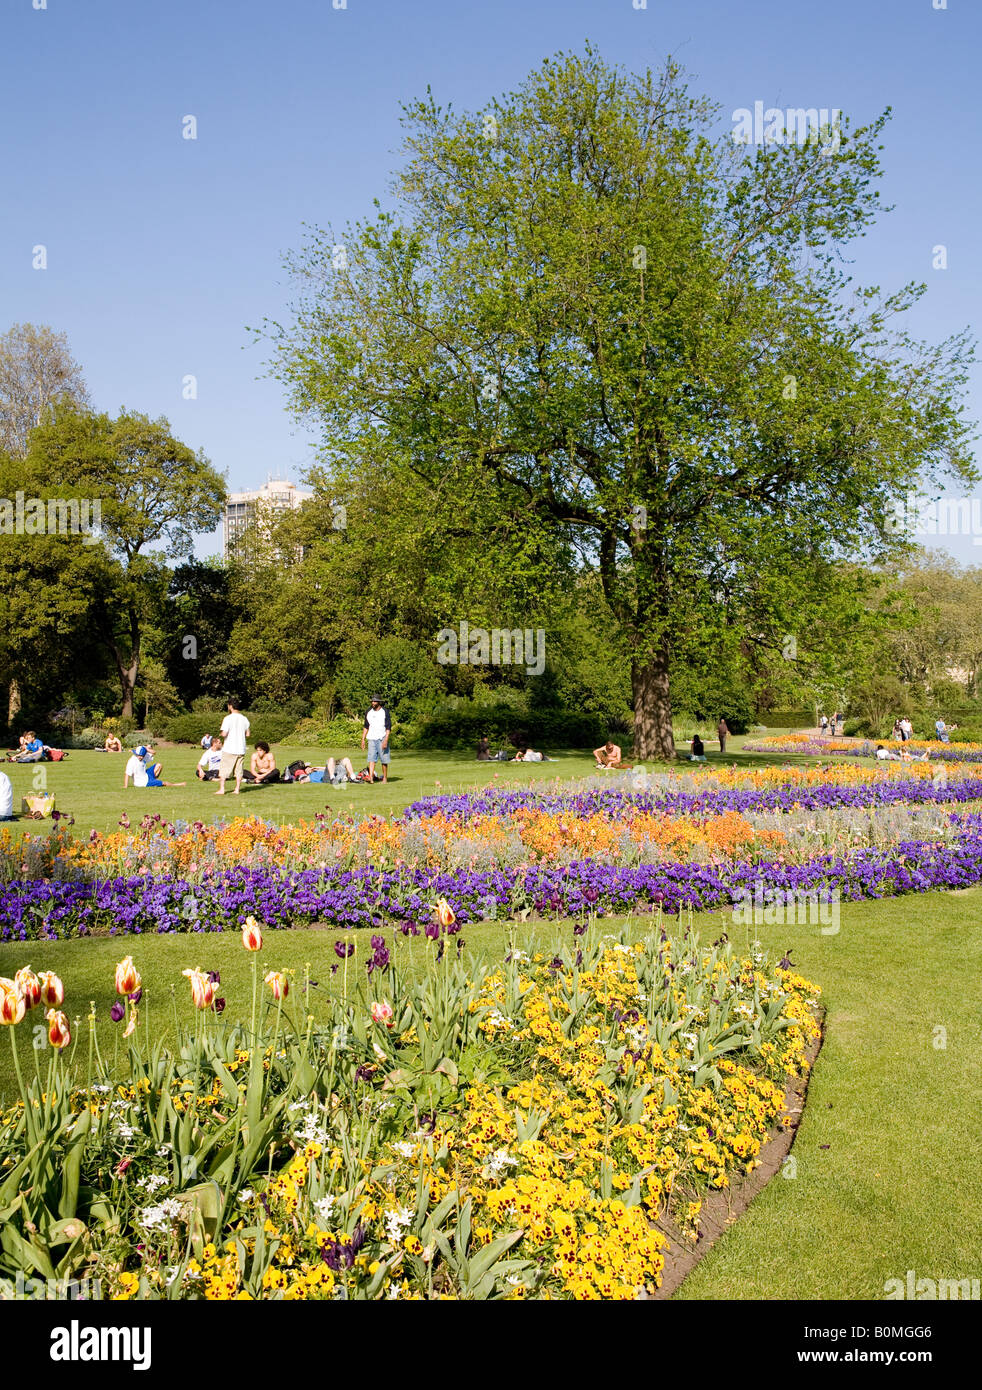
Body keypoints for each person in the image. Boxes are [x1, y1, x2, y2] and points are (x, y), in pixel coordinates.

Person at [217, 697, 250, 795]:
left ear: (230, 706)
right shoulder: (244, 719)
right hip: (241, 748)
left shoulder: (228, 718)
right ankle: (237, 789)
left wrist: (221, 734)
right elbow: (248, 734)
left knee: (224, 770)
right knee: (239, 770)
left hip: (229, 748)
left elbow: (224, 733)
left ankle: (222, 789)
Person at [361, 694, 391, 784]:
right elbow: (366, 726)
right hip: (371, 738)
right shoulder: (368, 712)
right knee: (371, 759)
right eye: (372, 701)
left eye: (375, 701)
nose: (373, 703)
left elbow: (388, 727)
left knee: (384, 760)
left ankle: (385, 778)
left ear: (379, 702)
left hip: (382, 737)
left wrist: (386, 739)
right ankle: (371, 778)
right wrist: (363, 739)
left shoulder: (385, 711)